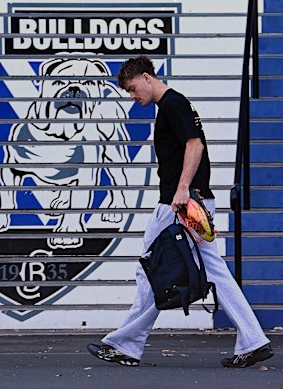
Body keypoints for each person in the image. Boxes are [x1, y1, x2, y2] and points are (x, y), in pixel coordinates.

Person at [86, 55, 273, 368]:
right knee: (210, 270)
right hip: (190, 203)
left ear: (147, 77)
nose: (133, 97)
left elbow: (195, 145)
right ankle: (253, 341)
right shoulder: (171, 106)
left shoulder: (173, 105)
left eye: (133, 89)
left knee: (151, 268)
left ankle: (127, 345)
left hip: (180, 205)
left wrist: (183, 190)